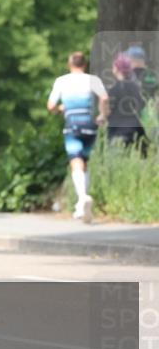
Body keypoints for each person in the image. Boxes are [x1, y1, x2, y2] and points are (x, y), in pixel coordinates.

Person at [47, 51, 109, 224]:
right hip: (90, 124)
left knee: (76, 162)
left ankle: (82, 199)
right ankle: (82, 204)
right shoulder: (93, 79)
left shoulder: (62, 81)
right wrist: (102, 116)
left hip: (72, 124)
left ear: (70, 64)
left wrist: (61, 108)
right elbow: (104, 98)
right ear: (85, 64)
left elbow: (51, 105)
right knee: (85, 162)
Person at [106, 53, 146, 152]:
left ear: (116, 69)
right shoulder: (138, 88)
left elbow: (107, 111)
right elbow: (143, 106)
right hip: (137, 132)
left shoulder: (112, 90)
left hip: (117, 133)